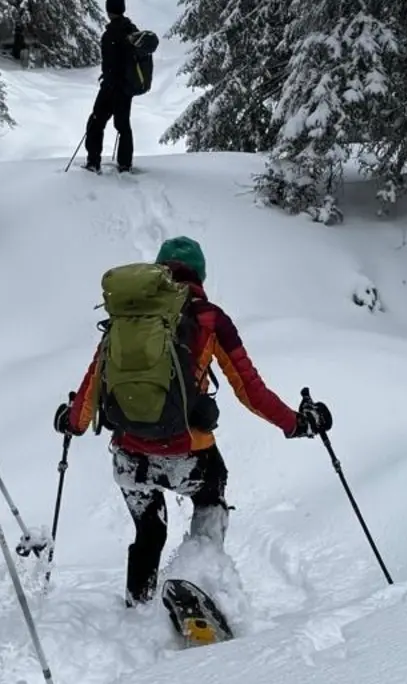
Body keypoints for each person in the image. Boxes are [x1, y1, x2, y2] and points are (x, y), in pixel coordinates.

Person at [53, 236, 333, 605]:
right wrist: (296, 423)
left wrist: (71, 422)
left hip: (129, 456)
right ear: (200, 274)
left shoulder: (128, 315)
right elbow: (250, 389)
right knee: (210, 498)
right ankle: (198, 581)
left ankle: (138, 606)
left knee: (149, 531)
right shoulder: (210, 317)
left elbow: (93, 383)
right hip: (187, 455)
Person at [84, 0, 139, 172]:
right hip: (127, 88)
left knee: (96, 122)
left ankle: (93, 162)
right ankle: (125, 164)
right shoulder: (133, 31)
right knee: (123, 126)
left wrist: (108, 80)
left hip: (111, 87)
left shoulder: (110, 35)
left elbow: (109, 64)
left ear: (109, 11)